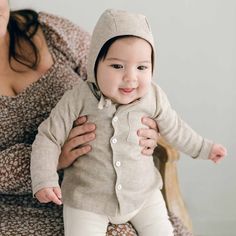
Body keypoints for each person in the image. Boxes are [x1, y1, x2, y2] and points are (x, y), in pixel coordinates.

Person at [31, 9, 227, 236]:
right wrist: (45, 178)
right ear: (95, 64)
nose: (131, 77)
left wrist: (206, 148)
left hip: (143, 196)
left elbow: (176, 129)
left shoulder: (153, 97)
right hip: (87, 200)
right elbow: (49, 137)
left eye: (142, 67)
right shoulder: (77, 98)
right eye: (117, 66)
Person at [0, 1, 159, 235]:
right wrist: (50, 158)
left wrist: (146, 126)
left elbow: (129, 76)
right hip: (16, 207)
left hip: (105, 180)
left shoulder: (49, 30)